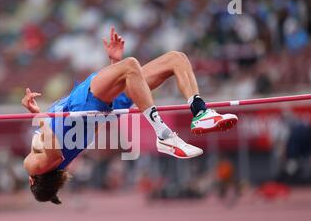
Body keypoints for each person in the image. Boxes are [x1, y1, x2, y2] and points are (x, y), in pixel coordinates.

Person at [22, 27, 238, 205]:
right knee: (131, 65)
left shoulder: (60, 155)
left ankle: (200, 111)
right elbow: (52, 150)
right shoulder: (39, 164)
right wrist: (38, 114)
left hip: (99, 107)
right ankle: (163, 134)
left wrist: (114, 65)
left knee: (176, 59)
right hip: (83, 104)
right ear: (33, 180)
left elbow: (98, 112)